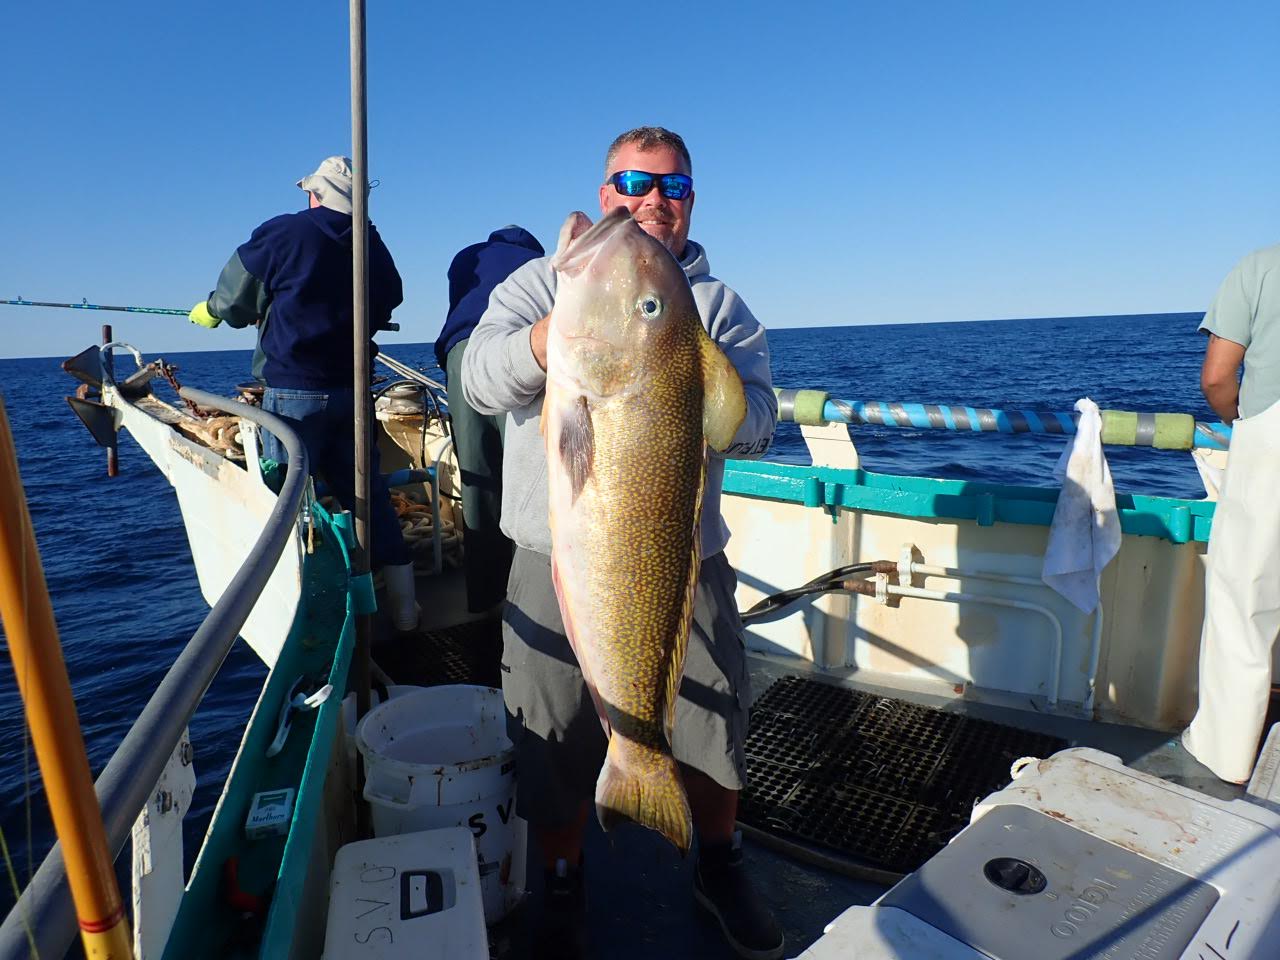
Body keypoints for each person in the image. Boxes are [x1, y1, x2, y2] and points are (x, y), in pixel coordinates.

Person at [462, 127, 782, 960]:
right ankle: (561, 876)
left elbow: (754, 426)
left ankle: (718, 860)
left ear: (689, 204)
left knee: (716, 719)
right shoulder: (542, 286)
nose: (651, 200)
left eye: (671, 188)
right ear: (605, 192)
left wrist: (694, 366)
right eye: (633, 182)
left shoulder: (715, 309)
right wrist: (548, 341)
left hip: (683, 558)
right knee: (553, 725)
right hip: (552, 555)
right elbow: (478, 378)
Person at [187, 156, 419, 631]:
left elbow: (233, 301)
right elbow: (390, 294)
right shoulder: (370, 240)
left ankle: (313, 618)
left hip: (294, 397)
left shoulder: (284, 233)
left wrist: (210, 310)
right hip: (353, 393)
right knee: (367, 497)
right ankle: (406, 607)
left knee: (289, 503)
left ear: (315, 194)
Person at [1183, 242, 1280, 784]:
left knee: (1245, 598)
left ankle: (1227, 752)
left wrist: (1240, 421)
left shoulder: (1261, 268)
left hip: (1273, 440)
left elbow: (1218, 378)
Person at [435, 226, 545, 615]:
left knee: (479, 484)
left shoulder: (466, 256)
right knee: (528, 478)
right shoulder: (536, 265)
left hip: (462, 357)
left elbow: (459, 307)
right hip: (517, 357)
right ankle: (528, 595)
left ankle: (483, 599)